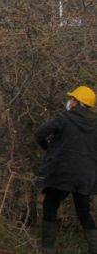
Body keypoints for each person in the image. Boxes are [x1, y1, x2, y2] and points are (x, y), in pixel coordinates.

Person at [35, 85, 97, 253]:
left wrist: (49, 149)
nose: (69, 101)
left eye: (72, 99)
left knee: (50, 205)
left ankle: (47, 248)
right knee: (84, 212)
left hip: (62, 172)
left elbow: (39, 133)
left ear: (77, 103)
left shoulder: (65, 118)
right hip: (87, 176)